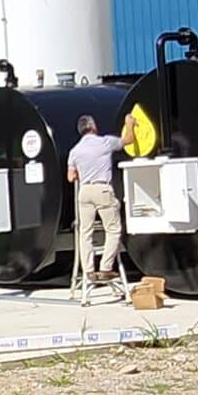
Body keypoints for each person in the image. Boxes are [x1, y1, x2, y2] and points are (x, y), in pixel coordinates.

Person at [66, 111, 133, 282]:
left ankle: (88, 271)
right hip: (102, 189)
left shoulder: (74, 151)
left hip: (84, 192)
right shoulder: (105, 142)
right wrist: (129, 124)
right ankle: (105, 267)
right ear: (93, 127)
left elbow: (71, 177)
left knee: (85, 233)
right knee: (113, 229)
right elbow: (128, 140)